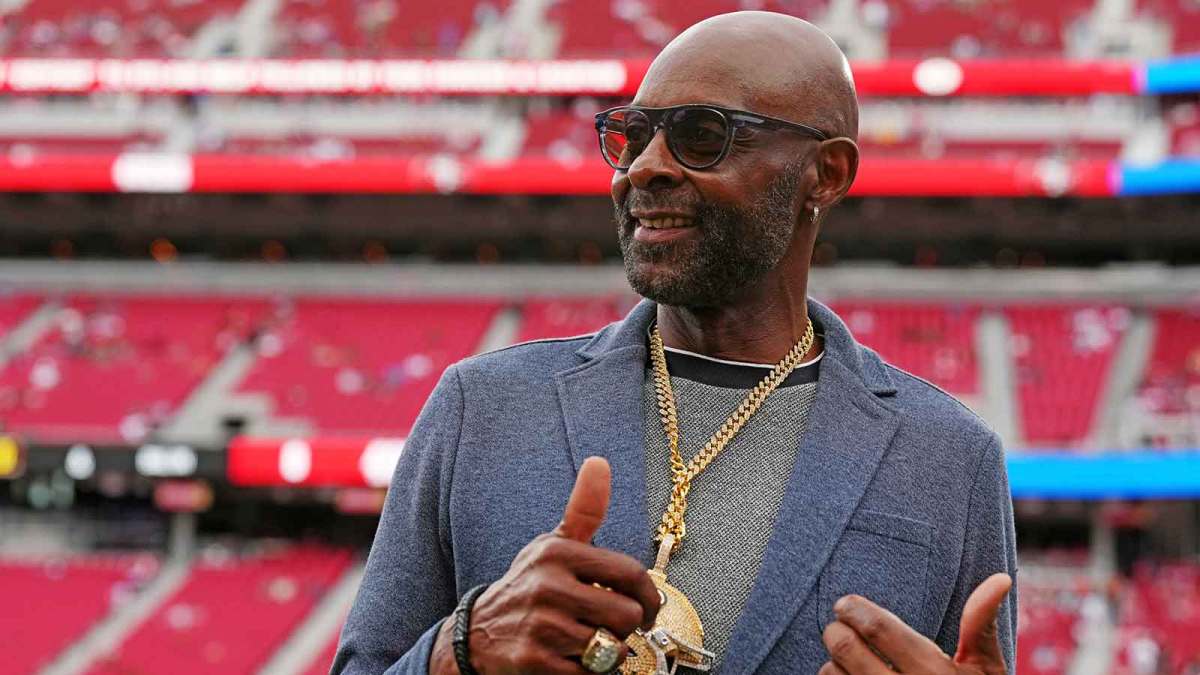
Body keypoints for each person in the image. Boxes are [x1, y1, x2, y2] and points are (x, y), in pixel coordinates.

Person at [333, 11, 1017, 675]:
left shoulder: (950, 457)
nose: (644, 168)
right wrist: (465, 649)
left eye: (702, 135)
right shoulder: (481, 408)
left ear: (827, 173)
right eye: (632, 135)